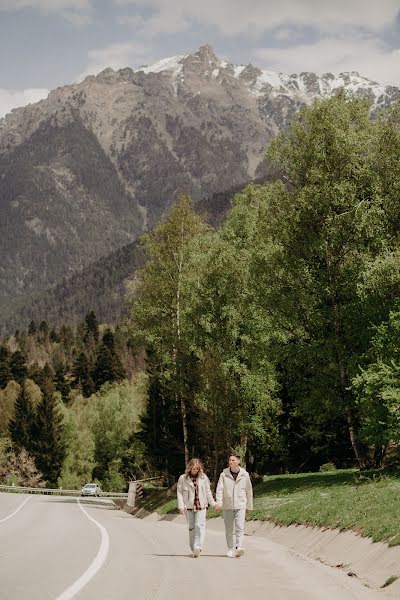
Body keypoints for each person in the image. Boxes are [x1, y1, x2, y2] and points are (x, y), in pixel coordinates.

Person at [215, 452, 253, 558]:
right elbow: (219, 490)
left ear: (238, 461)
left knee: (240, 527)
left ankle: (238, 547)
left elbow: (249, 491)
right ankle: (230, 549)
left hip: (240, 504)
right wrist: (219, 503)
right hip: (227, 505)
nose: (231, 462)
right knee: (229, 529)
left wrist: (249, 506)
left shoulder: (245, 474)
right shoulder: (224, 474)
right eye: (230, 460)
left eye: (233, 460)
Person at [177, 458, 216, 558]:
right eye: (193, 469)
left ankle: (198, 547)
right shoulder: (183, 478)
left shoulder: (204, 478)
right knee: (191, 528)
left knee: (200, 525)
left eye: (197, 469)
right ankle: (193, 547)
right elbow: (180, 493)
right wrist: (181, 506)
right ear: (189, 468)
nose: (195, 471)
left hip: (201, 506)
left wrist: (213, 504)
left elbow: (208, 492)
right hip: (188, 507)